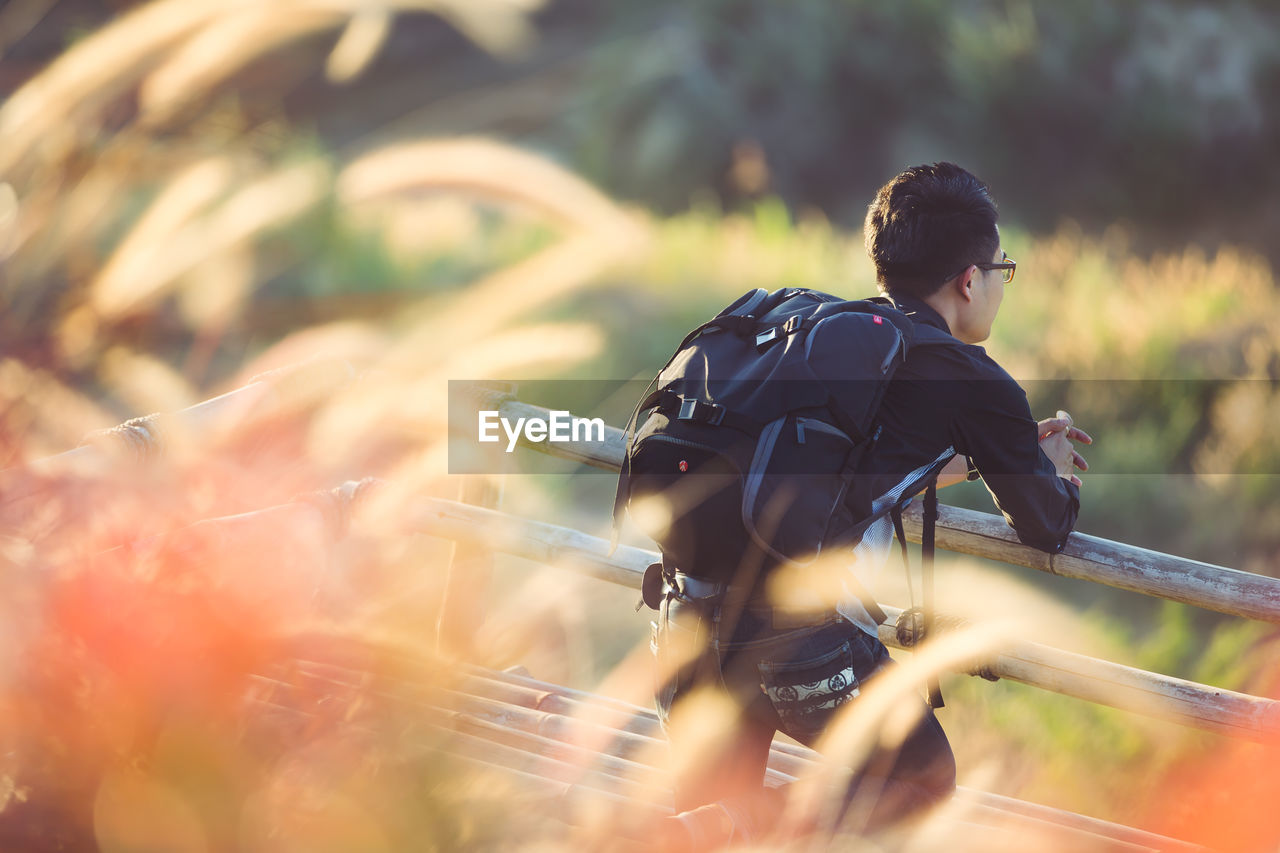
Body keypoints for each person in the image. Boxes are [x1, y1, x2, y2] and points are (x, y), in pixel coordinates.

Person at [650, 162, 1091, 847]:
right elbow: (1046, 525)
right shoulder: (974, 379)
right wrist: (1052, 473)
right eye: (1002, 267)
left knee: (709, 825)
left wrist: (991, 455)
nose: (1001, 282)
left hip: (686, 616)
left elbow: (848, 459)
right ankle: (725, 823)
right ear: (970, 279)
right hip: (792, 642)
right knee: (919, 779)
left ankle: (712, 823)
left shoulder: (828, 332)